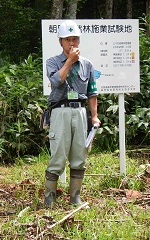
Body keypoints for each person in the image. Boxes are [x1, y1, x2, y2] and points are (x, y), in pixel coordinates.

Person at [44, 20, 101, 208]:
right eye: (67, 39)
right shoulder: (53, 62)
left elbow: (92, 93)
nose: (72, 43)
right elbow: (56, 81)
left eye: (75, 39)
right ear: (60, 41)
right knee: (58, 154)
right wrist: (69, 61)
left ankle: (75, 196)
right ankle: (49, 197)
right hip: (60, 111)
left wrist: (94, 116)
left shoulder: (88, 65)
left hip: (80, 112)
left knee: (79, 155)